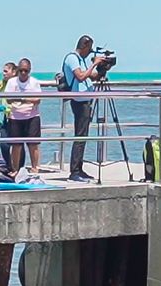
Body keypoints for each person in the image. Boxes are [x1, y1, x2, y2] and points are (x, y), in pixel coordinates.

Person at [60, 35, 97, 182]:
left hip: (85, 101)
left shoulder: (80, 60)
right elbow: (80, 76)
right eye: (89, 49)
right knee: (80, 136)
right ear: (85, 46)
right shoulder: (72, 58)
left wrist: (99, 69)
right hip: (79, 102)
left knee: (83, 136)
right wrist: (94, 65)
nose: (90, 52)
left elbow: (88, 76)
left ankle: (79, 169)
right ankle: (74, 171)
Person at [2, 58, 44, 174]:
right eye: (21, 70)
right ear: (17, 71)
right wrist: (25, 99)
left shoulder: (34, 82)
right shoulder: (12, 82)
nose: (24, 73)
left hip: (32, 116)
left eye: (26, 71)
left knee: (33, 144)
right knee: (16, 145)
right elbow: (9, 99)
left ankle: (35, 167)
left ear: (29, 71)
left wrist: (21, 98)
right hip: (15, 117)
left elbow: (37, 99)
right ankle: (15, 169)